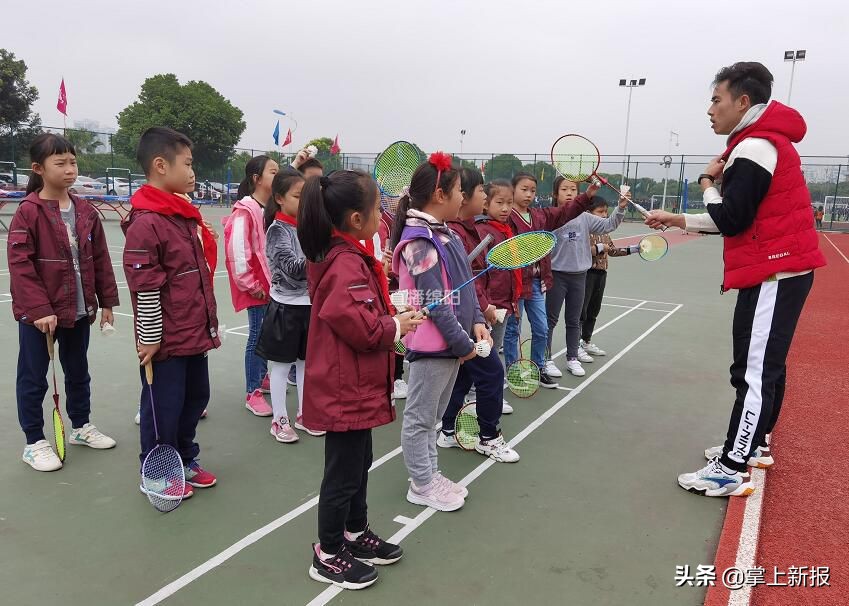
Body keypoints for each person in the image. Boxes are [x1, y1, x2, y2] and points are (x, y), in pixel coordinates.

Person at [645, 62, 826, 497]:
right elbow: (742, 219)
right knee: (767, 368)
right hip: (784, 270)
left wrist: (708, 182)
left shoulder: (754, 147)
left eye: (716, 99)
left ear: (743, 102)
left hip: (774, 274)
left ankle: (730, 467)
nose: (710, 110)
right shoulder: (765, 141)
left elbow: (730, 218)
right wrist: (677, 218)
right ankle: (755, 444)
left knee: (752, 373)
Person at [298, 170, 421, 589]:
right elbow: (361, 328)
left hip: (355, 385)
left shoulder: (350, 257)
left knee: (358, 464)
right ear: (355, 218)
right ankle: (328, 552)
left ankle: (354, 532)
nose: (382, 211)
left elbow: (365, 318)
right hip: (342, 388)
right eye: (376, 206)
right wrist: (397, 326)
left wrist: (393, 319)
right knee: (343, 473)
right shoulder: (344, 262)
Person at [8, 133, 119, 471]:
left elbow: (100, 259)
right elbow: (20, 264)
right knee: (33, 377)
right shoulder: (28, 212)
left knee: (78, 371)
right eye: (61, 163)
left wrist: (108, 303)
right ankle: (34, 441)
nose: (70, 169)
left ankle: (81, 426)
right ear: (39, 168)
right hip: (39, 317)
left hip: (79, 310)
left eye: (73, 162)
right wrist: (39, 310)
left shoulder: (86, 211)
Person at [124, 127, 221, 499]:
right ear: (161, 166)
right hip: (164, 341)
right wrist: (149, 338)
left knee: (195, 399)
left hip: (192, 332)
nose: (193, 171)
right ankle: (156, 470)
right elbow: (144, 285)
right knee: (162, 408)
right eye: (188, 163)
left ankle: (183, 458)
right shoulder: (147, 222)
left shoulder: (182, 215)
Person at [391, 154, 491, 510]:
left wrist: (477, 318)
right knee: (420, 419)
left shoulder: (445, 235)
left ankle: (429, 473)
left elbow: (464, 286)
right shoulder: (420, 241)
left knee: (433, 417)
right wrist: (463, 344)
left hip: (451, 345)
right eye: (459, 190)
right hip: (434, 346)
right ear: (438, 193)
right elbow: (435, 301)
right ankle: (420, 483)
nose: (463, 197)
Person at [439, 167, 518, 463]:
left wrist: (477, 314)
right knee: (492, 373)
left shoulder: (464, 229)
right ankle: (488, 436)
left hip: (467, 318)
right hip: (460, 321)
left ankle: (448, 430)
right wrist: (482, 311)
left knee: (461, 376)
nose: (484, 196)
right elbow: (466, 282)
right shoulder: (453, 233)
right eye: (480, 190)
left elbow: (467, 281)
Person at [504, 172, 597, 388]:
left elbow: (566, 212)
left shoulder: (540, 216)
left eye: (532, 191)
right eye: (523, 189)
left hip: (536, 282)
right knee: (512, 330)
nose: (528, 194)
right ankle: (511, 370)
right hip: (515, 284)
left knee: (542, 327)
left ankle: (538, 367)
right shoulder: (507, 217)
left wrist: (587, 196)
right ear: (513, 190)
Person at [255, 168, 325, 441]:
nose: (303, 202)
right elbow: (293, 269)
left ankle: (304, 415)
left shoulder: (304, 228)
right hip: (285, 307)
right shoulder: (277, 231)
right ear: (280, 198)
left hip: (308, 305)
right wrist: (321, 251)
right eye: (298, 196)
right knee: (282, 366)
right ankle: (279, 420)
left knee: (305, 364)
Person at [544, 178, 631, 378]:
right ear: (555, 194)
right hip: (556, 276)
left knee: (574, 320)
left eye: (573, 189)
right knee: (550, 321)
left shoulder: (584, 217)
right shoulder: (550, 216)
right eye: (564, 189)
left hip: (579, 276)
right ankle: (546, 359)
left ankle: (572, 358)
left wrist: (621, 208)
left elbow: (609, 225)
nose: (569, 193)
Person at [223, 155, 277, 416]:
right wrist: (250, 283)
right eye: (273, 172)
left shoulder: (269, 207)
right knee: (257, 335)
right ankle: (252, 391)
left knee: (266, 333)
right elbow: (237, 251)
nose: (277, 177)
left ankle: (262, 376)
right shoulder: (245, 210)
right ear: (257, 179)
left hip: (269, 283)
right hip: (256, 285)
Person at [580, 197, 640, 355]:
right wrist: (600, 247)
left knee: (594, 310)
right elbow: (583, 250)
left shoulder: (605, 232)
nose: (604, 215)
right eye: (600, 212)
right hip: (587, 274)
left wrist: (634, 249)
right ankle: (575, 344)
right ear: (588, 213)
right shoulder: (583, 230)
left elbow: (612, 250)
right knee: (582, 311)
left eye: (606, 211)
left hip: (601, 275)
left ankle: (586, 341)